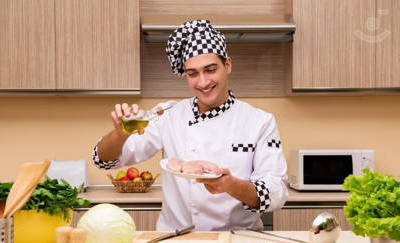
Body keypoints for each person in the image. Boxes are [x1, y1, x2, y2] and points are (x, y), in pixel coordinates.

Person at [92, 20, 288, 231]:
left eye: (210, 70)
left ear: (228, 65)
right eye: (192, 73)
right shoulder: (168, 115)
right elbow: (104, 160)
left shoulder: (260, 121)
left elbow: (276, 192)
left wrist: (231, 185)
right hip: (177, 241)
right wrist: (119, 134)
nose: (203, 83)